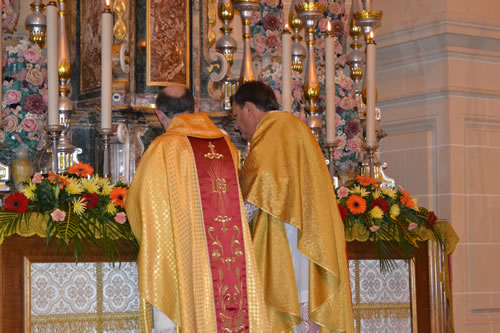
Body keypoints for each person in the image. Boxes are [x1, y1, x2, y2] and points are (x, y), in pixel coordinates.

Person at [125, 85, 270, 333]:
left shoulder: (162, 149)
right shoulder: (228, 148)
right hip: (226, 265)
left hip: (181, 261)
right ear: (196, 108)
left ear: (160, 114)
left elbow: (141, 208)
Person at [232, 81, 354, 333]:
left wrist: (229, 220)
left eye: (236, 116)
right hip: (308, 235)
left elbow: (259, 184)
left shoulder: (270, 131)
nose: (236, 125)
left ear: (249, 108)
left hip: (284, 237)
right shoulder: (297, 127)